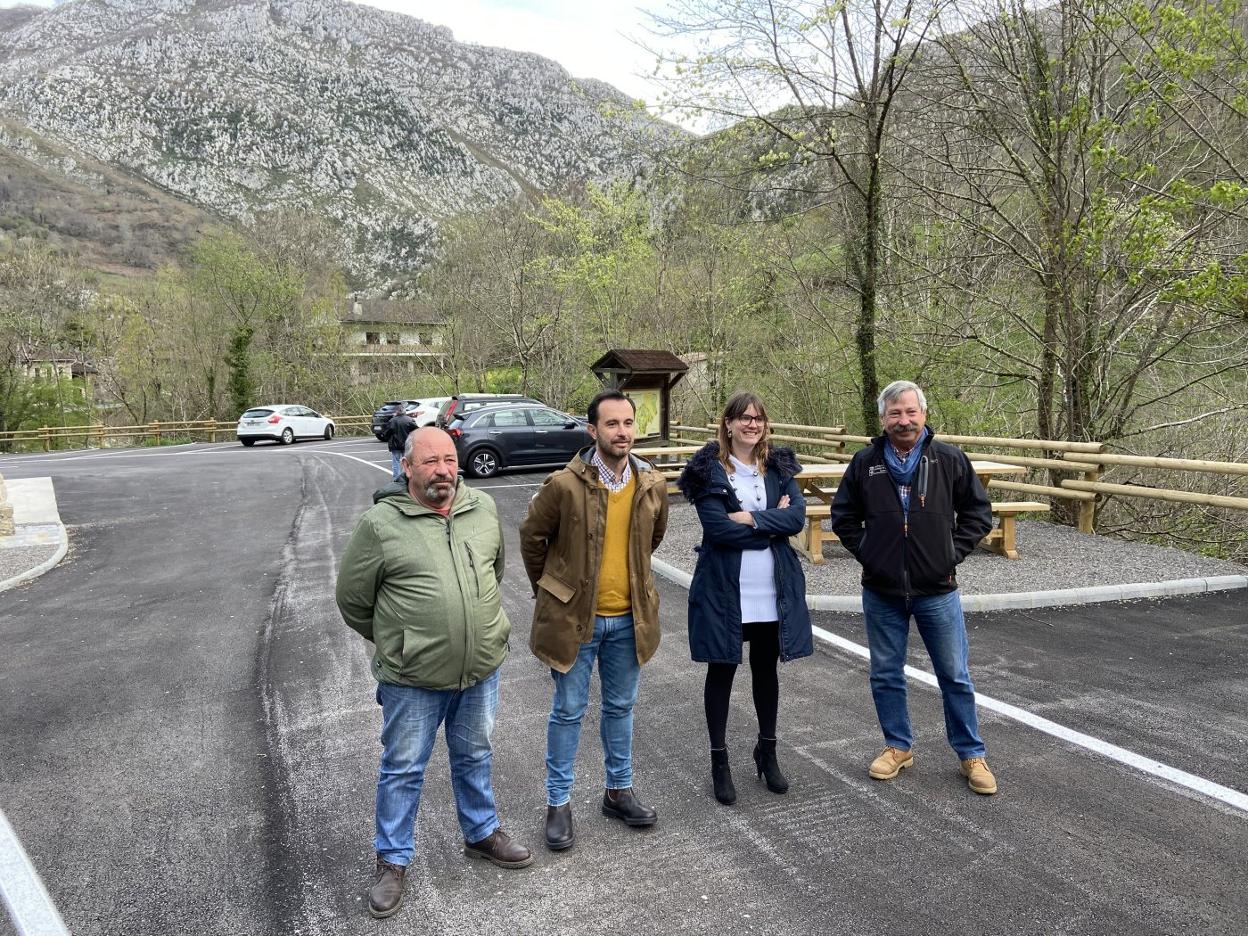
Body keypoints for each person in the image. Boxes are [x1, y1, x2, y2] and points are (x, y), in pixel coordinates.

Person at [336, 426, 532, 920]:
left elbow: (495, 571)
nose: (443, 470)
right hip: (412, 680)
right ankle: (392, 861)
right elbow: (353, 601)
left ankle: (481, 832)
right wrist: (401, 642)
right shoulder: (381, 524)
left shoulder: (481, 509)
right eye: (430, 462)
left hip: (480, 669)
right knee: (403, 769)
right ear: (407, 467)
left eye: (449, 459)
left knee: (475, 756)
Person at [829, 380, 998, 795]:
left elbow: (978, 513)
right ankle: (898, 746)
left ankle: (970, 753)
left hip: (937, 589)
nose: (903, 420)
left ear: (924, 414)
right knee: (886, 674)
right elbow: (843, 516)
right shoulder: (866, 462)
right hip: (882, 590)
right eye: (894, 413)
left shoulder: (949, 459)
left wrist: (948, 554)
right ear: (883, 419)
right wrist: (871, 553)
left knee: (954, 675)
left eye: (910, 412)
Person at [519, 389, 669, 852]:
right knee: (567, 712)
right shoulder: (564, 485)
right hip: (575, 623)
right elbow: (532, 538)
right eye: (612, 424)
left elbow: (652, 540)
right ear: (593, 431)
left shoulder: (652, 484)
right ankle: (558, 803)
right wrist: (553, 589)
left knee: (621, 709)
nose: (622, 432)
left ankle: (617, 792)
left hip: (629, 620)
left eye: (628, 423)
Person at [676, 391, 813, 805]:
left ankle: (766, 752)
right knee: (721, 672)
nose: (752, 424)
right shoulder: (708, 470)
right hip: (724, 590)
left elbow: (797, 518)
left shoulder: (778, 467)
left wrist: (751, 517)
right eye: (744, 418)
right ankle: (720, 761)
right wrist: (774, 520)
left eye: (758, 418)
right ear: (728, 424)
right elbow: (718, 530)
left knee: (765, 672)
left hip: (773, 590)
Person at [382, 406, 418, 481]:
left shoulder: (392, 421)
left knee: (396, 462)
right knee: (406, 461)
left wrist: (386, 437)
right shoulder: (409, 420)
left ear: (397, 412)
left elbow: (386, 433)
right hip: (406, 444)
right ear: (404, 411)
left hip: (395, 445)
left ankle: (396, 478)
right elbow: (417, 430)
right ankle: (405, 476)